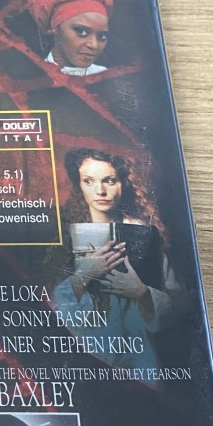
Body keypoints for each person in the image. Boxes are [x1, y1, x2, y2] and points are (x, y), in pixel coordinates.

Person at [53, 149, 179, 373]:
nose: (100, 191)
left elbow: (177, 302)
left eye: (109, 181)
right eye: (89, 181)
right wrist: (83, 276)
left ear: (123, 183)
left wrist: (141, 292)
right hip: (87, 354)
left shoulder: (144, 233)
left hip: (139, 353)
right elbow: (53, 310)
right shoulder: (65, 235)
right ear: (79, 184)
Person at [27, 0, 113, 77]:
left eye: (101, 36)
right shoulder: (32, 77)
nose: (94, 45)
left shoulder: (105, 77)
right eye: (82, 32)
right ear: (55, 27)